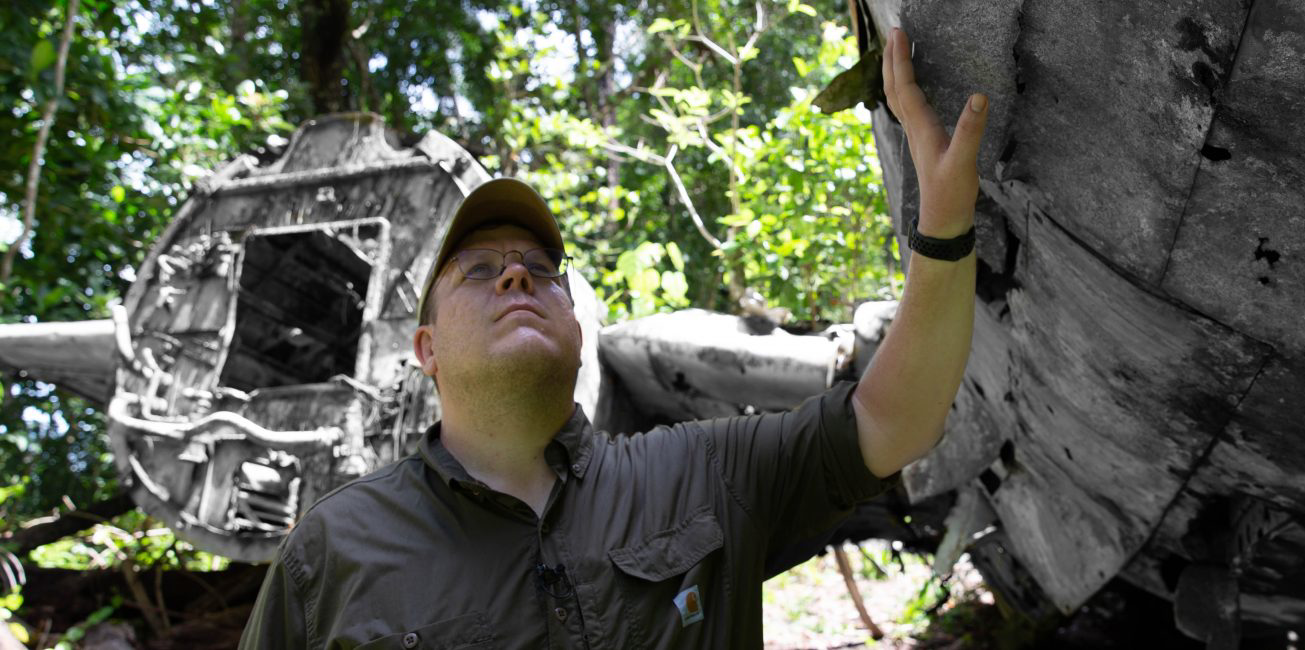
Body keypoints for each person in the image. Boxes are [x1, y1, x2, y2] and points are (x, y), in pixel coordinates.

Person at [239, 27, 988, 648]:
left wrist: (946, 228)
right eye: (479, 270)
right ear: (426, 350)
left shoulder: (706, 472)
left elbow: (896, 418)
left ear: (577, 326)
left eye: (540, 268)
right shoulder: (330, 551)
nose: (516, 278)